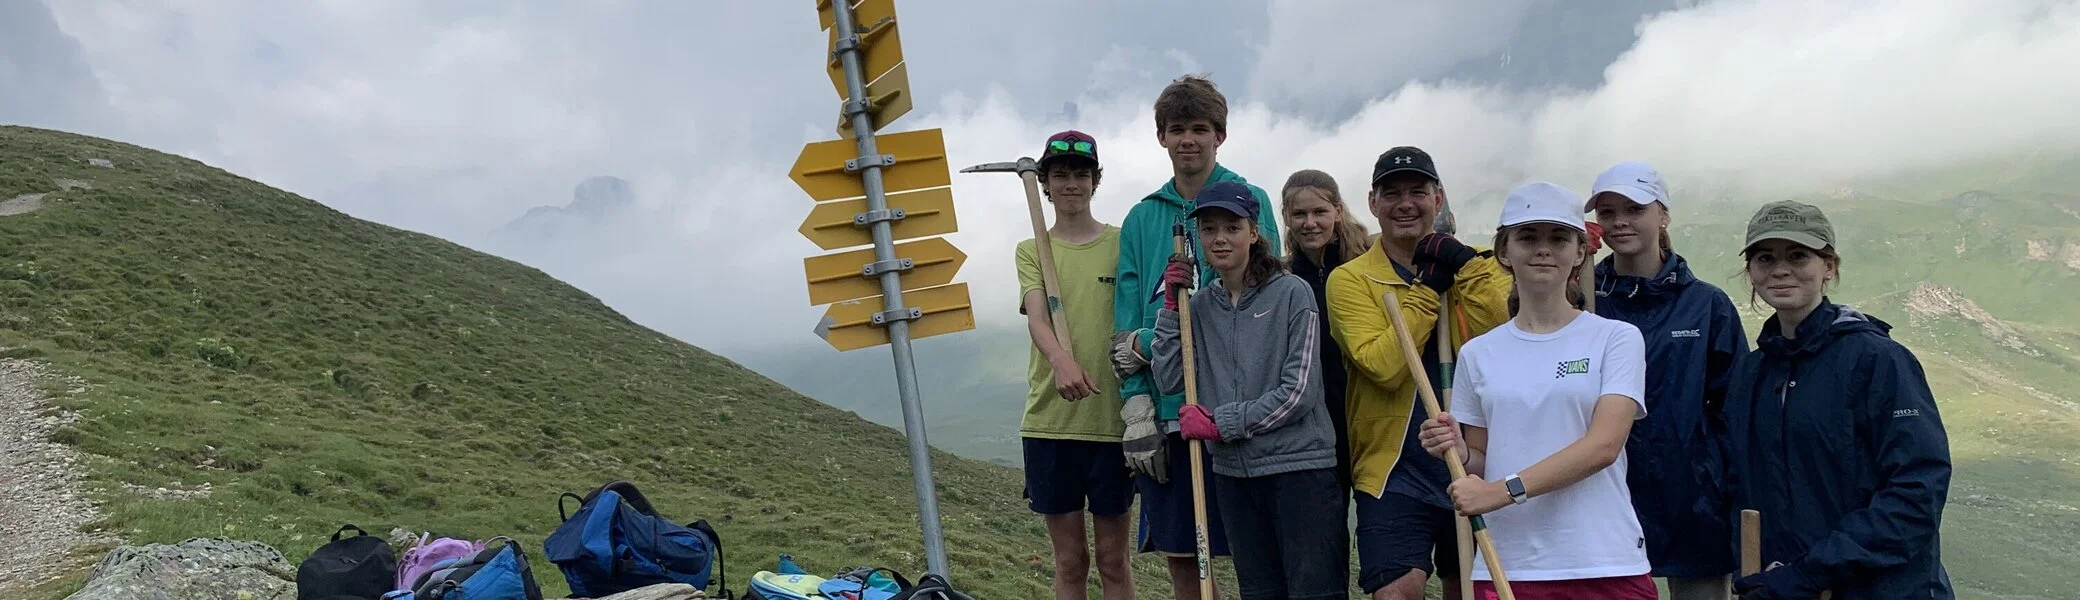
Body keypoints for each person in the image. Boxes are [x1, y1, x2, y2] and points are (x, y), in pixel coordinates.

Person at [1418, 181, 1657, 600]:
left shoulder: (1616, 339)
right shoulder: (1478, 354)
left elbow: (1603, 447)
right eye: (1528, 237)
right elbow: (1481, 460)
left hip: (1603, 559)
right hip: (1507, 564)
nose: (1543, 249)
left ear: (1580, 252)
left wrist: (1500, 492)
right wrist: (1455, 449)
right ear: (1504, 252)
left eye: (1559, 238)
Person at [1713, 200, 1953, 600]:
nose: (1780, 269)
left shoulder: (1877, 360)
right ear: (1750, 271)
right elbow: (1743, 486)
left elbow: (1917, 491)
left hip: (1881, 590)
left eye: (1798, 255)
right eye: (1764, 257)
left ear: (1829, 267)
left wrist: (1812, 572)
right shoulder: (1751, 373)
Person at [1108, 74, 1280, 599]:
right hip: (1170, 407)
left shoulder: (1250, 199)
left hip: (1238, 406)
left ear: (1219, 136)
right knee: (1184, 551)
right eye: (1177, 128)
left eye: (1200, 128)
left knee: (1256, 550)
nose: (1189, 139)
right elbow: (1126, 321)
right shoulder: (1142, 217)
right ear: (1161, 136)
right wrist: (1136, 406)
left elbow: (1268, 294)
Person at [1325, 147, 1511, 600]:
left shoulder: (1480, 268)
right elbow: (1385, 367)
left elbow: (1508, 336)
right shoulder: (1351, 280)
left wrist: (1463, 266)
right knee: (1396, 591)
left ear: (1438, 198)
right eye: (1391, 193)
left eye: (1417, 191)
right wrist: (1427, 289)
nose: (1405, 203)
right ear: (1373, 202)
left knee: (1466, 589)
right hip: (1392, 469)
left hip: (1477, 459)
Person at [1148, 180, 1348, 600]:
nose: (1220, 238)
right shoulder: (1198, 307)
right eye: (1209, 229)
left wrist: (1221, 423)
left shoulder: (1293, 293)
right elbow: (1170, 380)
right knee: (1259, 593)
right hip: (1234, 477)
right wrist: (1170, 308)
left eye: (1232, 227)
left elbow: (1299, 393)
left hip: (1300, 471)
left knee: (1316, 593)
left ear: (1254, 232)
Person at [1583, 161, 1748, 600]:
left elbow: (1736, 409)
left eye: (1634, 209)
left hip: (1693, 500)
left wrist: (1730, 492)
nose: (1620, 222)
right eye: (1607, 212)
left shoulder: (1707, 305)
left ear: (1663, 216)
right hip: (1603, 493)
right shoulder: (1581, 300)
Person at [1014, 130, 1133, 600]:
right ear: (1044, 183)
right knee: (1069, 561)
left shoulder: (1122, 243)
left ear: (1095, 180)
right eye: (1059, 174)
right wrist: (1060, 359)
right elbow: (1038, 318)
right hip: (1051, 422)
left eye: (1080, 174)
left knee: (1113, 561)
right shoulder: (1032, 249)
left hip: (1112, 422)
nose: (1070, 184)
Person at [1280, 169, 1373, 501]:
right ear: (1286, 218)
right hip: (1316, 423)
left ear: (1338, 211)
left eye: (1320, 212)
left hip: (1368, 416)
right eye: (1299, 214)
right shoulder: (1284, 278)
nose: (1310, 222)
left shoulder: (1368, 265)